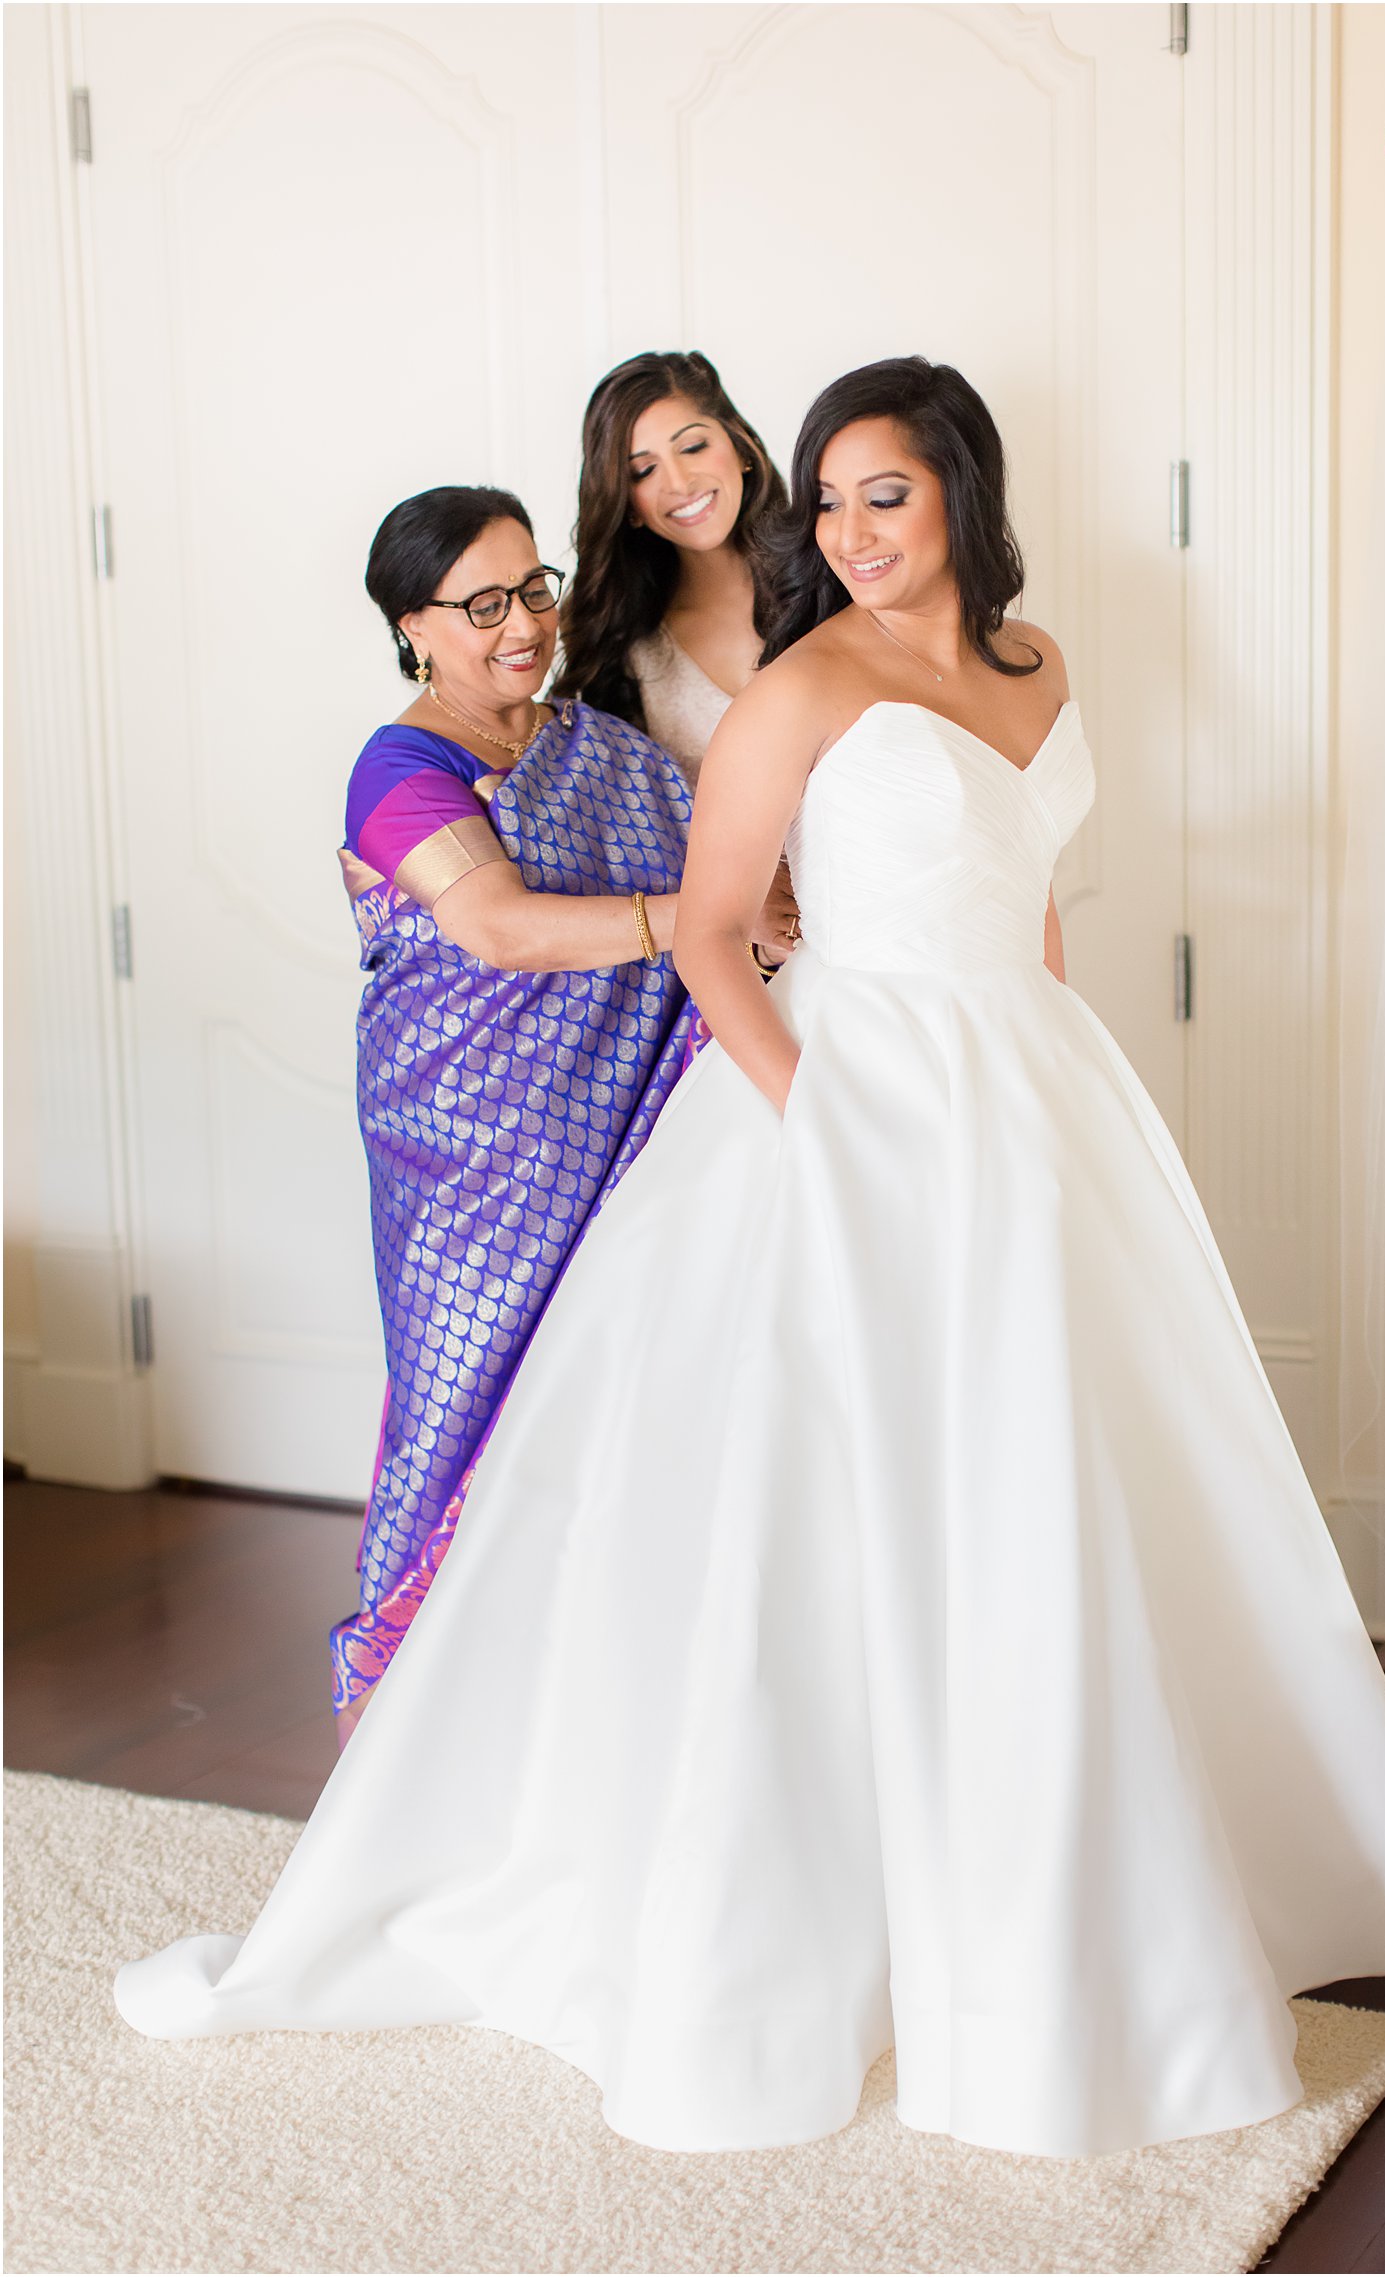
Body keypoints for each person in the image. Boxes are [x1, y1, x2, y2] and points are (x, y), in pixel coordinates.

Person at [116, 362, 1385, 2162]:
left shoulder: (1039, 663)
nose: (845, 533)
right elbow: (705, 932)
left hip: (1028, 1087)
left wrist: (1053, 1066)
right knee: (820, 1505)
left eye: (883, 497)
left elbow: (1033, 888)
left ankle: (1080, 1901)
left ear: (962, 500)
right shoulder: (804, 683)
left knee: (1053, 1486)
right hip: (840, 1095)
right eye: (832, 501)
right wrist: (818, 1113)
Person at [330, 484, 795, 1744]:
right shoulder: (400, 766)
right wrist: (702, 920)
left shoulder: (602, 750)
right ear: (412, 628)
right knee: (450, 1434)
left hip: (621, 1140)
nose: (521, 622)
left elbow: (738, 872)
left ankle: (560, 1750)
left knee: (596, 1425)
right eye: (481, 603)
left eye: (532, 587)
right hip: (465, 1158)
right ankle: (381, 1780)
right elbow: (494, 926)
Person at [554, 350, 786, 782]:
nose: (679, 483)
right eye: (643, 471)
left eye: (693, 447)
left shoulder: (834, 578)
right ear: (628, 506)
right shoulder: (630, 647)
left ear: (743, 450)